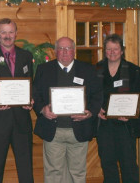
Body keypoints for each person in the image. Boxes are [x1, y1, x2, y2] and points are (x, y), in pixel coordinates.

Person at [33, 37, 102, 183]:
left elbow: (97, 95)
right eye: (61, 49)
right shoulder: (44, 69)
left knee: (77, 173)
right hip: (53, 130)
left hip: (79, 129)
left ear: (74, 51)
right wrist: (42, 109)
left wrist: (89, 112)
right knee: (53, 172)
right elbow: (35, 94)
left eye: (68, 48)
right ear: (55, 51)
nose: (65, 52)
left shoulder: (88, 69)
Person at [0, 18, 34, 183]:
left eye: (10, 32)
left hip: (22, 121)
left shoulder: (26, 56)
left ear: (16, 34)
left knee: (26, 169)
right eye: (3, 32)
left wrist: (30, 100)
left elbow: (31, 83)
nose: (7, 36)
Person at [96, 34, 140, 183]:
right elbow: (90, 95)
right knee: (108, 166)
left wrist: (132, 114)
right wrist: (97, 110)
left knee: (129, 167)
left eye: (116, 49)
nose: (112, 52)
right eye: (109, 49)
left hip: (126, 127)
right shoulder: (96, 70)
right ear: (105, 51)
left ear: (122, 51)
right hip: (105, 126)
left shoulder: (135, 71)